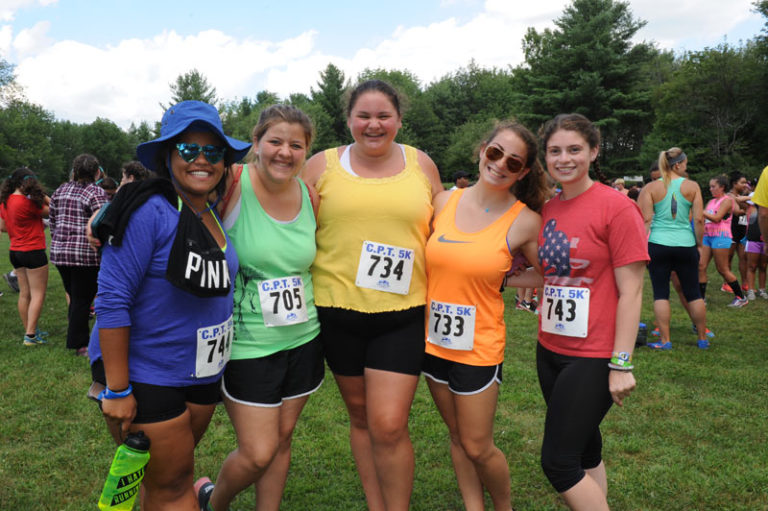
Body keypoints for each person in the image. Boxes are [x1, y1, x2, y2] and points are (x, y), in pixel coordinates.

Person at [88, 100, 249, 509]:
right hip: (149, 374)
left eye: (213, 151)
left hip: (201, 371)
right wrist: (117, 388)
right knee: (174, 486)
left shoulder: (211, 211)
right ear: (167, 155)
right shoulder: (148, 210)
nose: (201, 160)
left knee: (165, 478)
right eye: (188, 149)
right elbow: (111, 302)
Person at [303, 79, 443, 511]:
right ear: (349, 120)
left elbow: (446, 228)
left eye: (383, 115)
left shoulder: (422, 165)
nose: (373, 124)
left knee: (388, 423)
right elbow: (286, 219)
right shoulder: (319, 166)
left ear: (399, 119)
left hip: (402, 312)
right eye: (363, 115)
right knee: (361, 418)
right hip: (336, 309)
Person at [196, 105, 324, 511]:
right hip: (247, 344)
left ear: (306, 151)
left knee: (281, 441)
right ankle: (215, 502)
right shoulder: (232, 182)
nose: (284, 152)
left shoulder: (310, 195)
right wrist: (108, 218)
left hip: (304, 337)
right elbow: (171, 201)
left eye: (296, 145)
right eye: (275, 141)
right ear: (255, 144)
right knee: (257, 451)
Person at [423, 120, 545, 511]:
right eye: (495, 153)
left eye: (513, 162)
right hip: (433, 341)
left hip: (480, 345)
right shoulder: (444, 201)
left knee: (478, 444)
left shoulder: (525, 220)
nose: (499, 165)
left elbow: (547, 273)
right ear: (482, 150)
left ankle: (503, 506)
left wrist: (502, 281)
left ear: (522, 172)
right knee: (457, 436)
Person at [534, 113, 647, 511]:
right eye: (555, 151)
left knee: (559, 463)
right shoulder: (548, 208)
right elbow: (553, 273)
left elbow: (631, 290)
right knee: (584, 450)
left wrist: (621, 363)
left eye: (574, 150)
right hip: (549, 347)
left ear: (594, 152)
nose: (564, 159)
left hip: (595, 354)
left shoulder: (616, 208)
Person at [637, 148, 709, 349]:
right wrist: (700, 244)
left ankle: (665, 340)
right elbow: (699, 219)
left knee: (661, 293)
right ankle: (702, 338)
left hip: (658, 244)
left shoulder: (651, 188)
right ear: (678, 165)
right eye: (685, 163)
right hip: (685, 245)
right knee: (693, 292)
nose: (686, 166)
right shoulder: (692, 186)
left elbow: (645, 221)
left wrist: (642, 247)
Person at [49, 153, 110, 355]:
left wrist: (58, 240)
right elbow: (101, 222)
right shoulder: (96, 192)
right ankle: (80, 344)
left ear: (74, 171)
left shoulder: (60, 190)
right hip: (85, 255)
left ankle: (76, 332)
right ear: (96, 172)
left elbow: (53, 220)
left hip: (60, 253)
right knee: (82, 299)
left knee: (76, 297)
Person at [0, 168, 50, 345]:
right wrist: (42, 195)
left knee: (25, 293)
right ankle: (30, 336)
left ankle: (30, 330)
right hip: (33, 251)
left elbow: (3, 227)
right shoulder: (29, 203)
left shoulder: (5, 202)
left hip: (15, 252)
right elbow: (53, 210)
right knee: (38, 294)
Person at [698, 174, 748, 307]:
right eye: (710, 186)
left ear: (722, 187)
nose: (710, 189)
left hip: (721, 236)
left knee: (722, 269)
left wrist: (700, 211)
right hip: (707, 236)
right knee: (701, 266)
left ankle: (741, 297)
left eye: (713, 186)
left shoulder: (727, 200)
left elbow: (717, 218)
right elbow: (705, 219)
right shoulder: (711, 201)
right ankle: (701, 299)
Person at [726, 171, 749, 292]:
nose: (745, 185)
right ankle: (727, 283)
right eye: (742, 182)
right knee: (729, 257)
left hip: (742, 230)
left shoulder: (742, 196)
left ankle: (745, 282)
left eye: (746, 182)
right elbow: (736, 211)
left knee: (743, 257)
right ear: (735, 184)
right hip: (731, 229)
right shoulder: (730, 196)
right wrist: (749, 209)